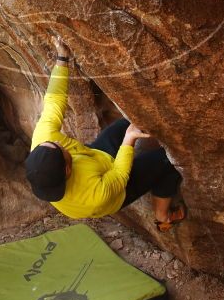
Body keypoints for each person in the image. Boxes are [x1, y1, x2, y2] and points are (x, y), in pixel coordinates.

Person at [25, 36, 186, 230]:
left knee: (132, 119)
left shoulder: (45, 143)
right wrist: (129, 140)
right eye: (60, 149)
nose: (58, 143)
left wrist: (62, 59)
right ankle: (163, 217)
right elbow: (119, 175)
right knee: (168, 160)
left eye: (54, 143)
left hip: (95, 158)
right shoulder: (93, 197)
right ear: (67, 170)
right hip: (118, 190)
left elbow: (54, 102)